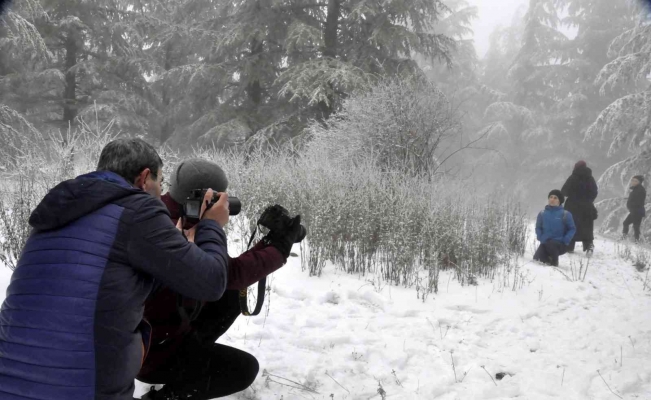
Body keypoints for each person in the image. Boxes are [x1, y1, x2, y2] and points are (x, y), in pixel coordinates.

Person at [0, 139, 231, 400]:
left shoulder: (57, 210)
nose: (160, 193)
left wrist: (172, 253)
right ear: (144, 178)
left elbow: (103, 280)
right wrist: (212, 225)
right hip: (82, 390)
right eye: (160, 183)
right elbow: (212, 282)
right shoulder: (137, 208)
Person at [138, 158, 304, 400]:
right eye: (221, 198)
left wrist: (269, 243)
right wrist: (279, 248)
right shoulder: (177, 228)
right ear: (207, 198)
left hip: (147, 341)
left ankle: (191, 355)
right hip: (150, 353)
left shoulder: (163, 214)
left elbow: (225, 271)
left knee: (229, 295)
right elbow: (230, 275)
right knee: (243, 370)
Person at [561, 160, 598, 254]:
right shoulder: (590, 178)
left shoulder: (573, 177)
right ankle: (589, 246)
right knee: (587, 227)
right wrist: (589, 200)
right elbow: (594, 192)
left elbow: (564, 191)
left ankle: (569, 247)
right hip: (587, 206)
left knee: (571, 225)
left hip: (572, 206)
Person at [534, 190, 576, 267]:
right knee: (537, 259)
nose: (552, 199)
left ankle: (554, 264)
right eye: (550, 197)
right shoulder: (542, 214)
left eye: (555, 198)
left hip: (560, 244)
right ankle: (548, 260)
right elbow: (538, 227)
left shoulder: (565, 214)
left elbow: (572, 229)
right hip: (545, 242)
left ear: (559, 201)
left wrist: (566, 239)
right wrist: (540, 237)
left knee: (552, 245)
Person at [623, 175, 647, 242]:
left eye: (635, 181)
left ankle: (635, 240)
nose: (633, 182)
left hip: (637, 211)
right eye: (632, 180)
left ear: (639, 182)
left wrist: (632, 206)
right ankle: (635, 240)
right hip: (635, 210)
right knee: (633, 225)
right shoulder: (636, 189)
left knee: (633, 225)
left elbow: (639, 201)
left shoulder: (640, 190)